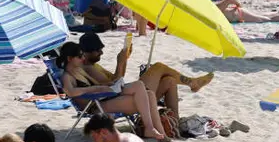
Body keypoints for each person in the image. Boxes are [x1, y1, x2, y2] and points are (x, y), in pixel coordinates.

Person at [77, 32, 212, 122]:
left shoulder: (92, 65)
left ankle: (174, 120)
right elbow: (113, 86)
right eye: (97, 50)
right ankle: (192, 83)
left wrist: (125, 59)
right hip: (116, 100)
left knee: (169, 81)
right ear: (86, 52)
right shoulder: (87, 68)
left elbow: (116, 78)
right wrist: (120, 61)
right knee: (158, 67)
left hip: (121, 95)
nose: (101, 52)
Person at [56, 42, 168, 141]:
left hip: (103, 98)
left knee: (148, 93)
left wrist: (105, 85)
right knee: (143, 93)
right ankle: (150, 128)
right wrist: (95, 88)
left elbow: (97, 85)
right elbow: (70, 92)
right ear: (70, 59)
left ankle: (160, 131)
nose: (83, 59)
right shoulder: (67, 76)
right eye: (80, 56)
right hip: (95, 106)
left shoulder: (80, 70)